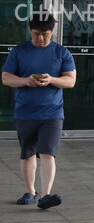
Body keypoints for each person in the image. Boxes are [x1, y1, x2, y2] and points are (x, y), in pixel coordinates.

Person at [2, 11, 76, 209]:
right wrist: (25, 81)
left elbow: (70, 81)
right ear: (29, 31)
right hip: (25, 112)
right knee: (27, 153)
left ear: (53, 31)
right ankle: (29, 192)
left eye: (45, 34)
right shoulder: (19, 51)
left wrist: (51, 79)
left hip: (52, 113)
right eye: (36, 34)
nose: (41, 38)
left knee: (47, 153)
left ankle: (45, 195)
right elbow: (6, 77)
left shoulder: (62, 53)